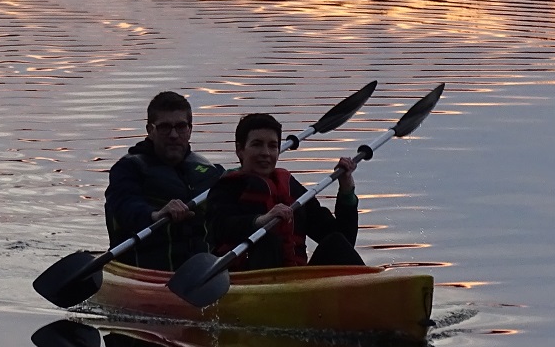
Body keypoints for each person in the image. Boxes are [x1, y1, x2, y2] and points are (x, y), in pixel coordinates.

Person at [206, 112, 365, 271]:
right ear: (240, 150)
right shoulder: (226, 187)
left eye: (272, 146)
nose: (266, 153)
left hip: (296, 281)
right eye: (257, 144)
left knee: (336, 242)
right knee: (267, 237)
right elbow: (220, 228)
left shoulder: (291, 188)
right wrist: (261, 221)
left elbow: (345, 239)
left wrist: (346, 190)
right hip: (249, 279)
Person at [104, 91, 225, 271]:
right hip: (144, 271)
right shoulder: (128, 169)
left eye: (181, 127)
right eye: (165, 127)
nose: (174, 135)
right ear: (150, 130)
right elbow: (124, 204)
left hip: (204, 272)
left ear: (190, 130)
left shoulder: (212, 172)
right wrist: (155, 215)